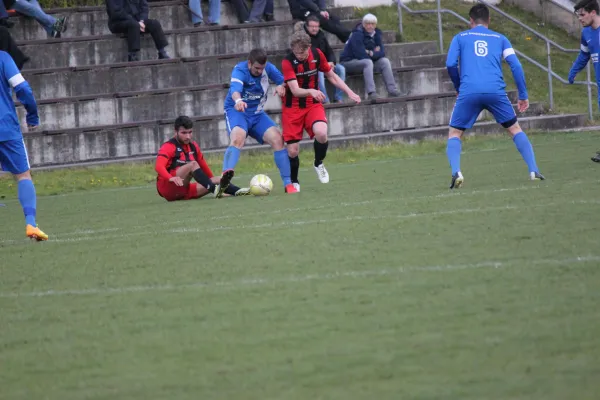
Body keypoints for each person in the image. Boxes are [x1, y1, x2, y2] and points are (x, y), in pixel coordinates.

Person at [445, 4, 544, 189]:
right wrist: (522, 95)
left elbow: (450, 64)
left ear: (470, 21)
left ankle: (456, 172)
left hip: (469, 91)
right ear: (489, 20)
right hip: (495, 91)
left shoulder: (460, 37)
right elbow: (516, 66)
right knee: (514, 129)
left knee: (455, 133)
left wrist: (458, 87)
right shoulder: (501, 38)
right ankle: (534, 171)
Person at [281, 31, 360, 191]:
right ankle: (294, 181)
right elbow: (295, 91)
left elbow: (331, 76)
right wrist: (311, 90)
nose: (299, 56)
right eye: (296, 52)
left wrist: (349, 91)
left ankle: (318, 163)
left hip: (312, 104)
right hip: (292, 107)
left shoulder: (317, 54)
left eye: (302, 53)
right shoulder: (288, 62)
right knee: (292, 150)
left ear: (309, 48)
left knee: (322, 133)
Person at [222, 48, 296, 194]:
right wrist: (238, 100)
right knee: (238, 138)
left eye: (262, 68)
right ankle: (225, 180)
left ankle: (288, 184)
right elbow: (235, 89)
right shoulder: (240, 70)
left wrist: (282, 86)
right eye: (256, 68)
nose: (259, 71)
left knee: (277, 139)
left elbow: (284, 80)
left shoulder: (268, 68)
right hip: (237, 111)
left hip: (256, 114)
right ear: (249, 63)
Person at [0, 50, 47, 240]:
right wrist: (32, 115)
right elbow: (23, 88)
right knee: (23, 175)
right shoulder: (3, 58)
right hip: (6, 127)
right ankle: (31, 224)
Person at [155, 116, 250, 201]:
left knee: (218, 180)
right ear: (175, 132)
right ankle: (215, 190)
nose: (188, 136)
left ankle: (242, 191)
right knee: (193, 164)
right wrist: (171, 178)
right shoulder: (169, 146)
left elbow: (205, 170)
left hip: (185, 191)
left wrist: (215, 183)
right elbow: (158, 167)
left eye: (190, 132)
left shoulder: (193, 147)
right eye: (184, 133)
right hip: (168, 188)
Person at [340, 13, 403, 100]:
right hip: (348, 62)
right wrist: (373, 53)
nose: (370, 26)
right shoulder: (357, 34)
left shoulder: (377, 34)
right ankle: (371, 93)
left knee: (385, 61)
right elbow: (360, 54)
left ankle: (392, 90)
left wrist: (370, 53)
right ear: (363, 24)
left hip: (365, 62)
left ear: (375, 25)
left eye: (372, 24)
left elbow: (382, 52)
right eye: (367, 24)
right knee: (368, 62)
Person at [568, 0, 600, 163]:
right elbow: (583, 56)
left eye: (582, 14)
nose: (580, 18)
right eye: (578, 15)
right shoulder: (587, 34)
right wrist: (573, 72)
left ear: (593, 12)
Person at [298, 16, 346, 104]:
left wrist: (331, 62)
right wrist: (323, 64)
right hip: (312, 65)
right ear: (307, 26)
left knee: (341, 69)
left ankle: (338, 97)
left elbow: (329, 51)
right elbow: (308, 55)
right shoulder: (303, 38)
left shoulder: (321, 35)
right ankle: (325, 100)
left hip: (326, 64)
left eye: (316, 26)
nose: (314, 29)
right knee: (319, 72)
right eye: (312, 26)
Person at [105, 0, 169, 62]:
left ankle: (162, 52)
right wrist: (135, 22)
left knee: (154, 23)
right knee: (134, 25)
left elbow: (144, 6)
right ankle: (132, 55)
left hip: (137, 21)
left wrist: (142, 20)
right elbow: (116, 12)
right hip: (118, 22)